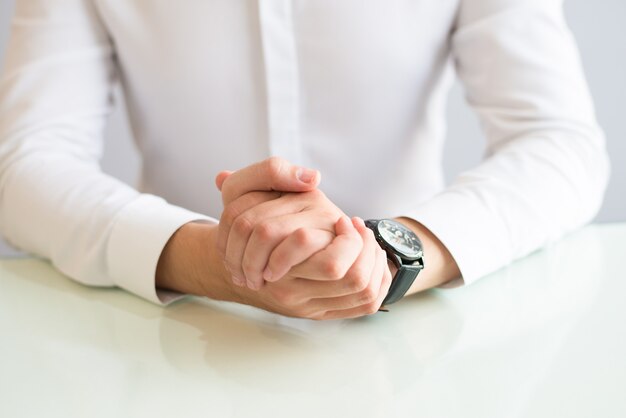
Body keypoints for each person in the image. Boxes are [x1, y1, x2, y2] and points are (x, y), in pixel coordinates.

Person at [0, 0, 609, 320]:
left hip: (418, 326)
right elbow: (23, 163)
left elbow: (559, 141)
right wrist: (213, 263)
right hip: (173, 323)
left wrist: (389, 257)